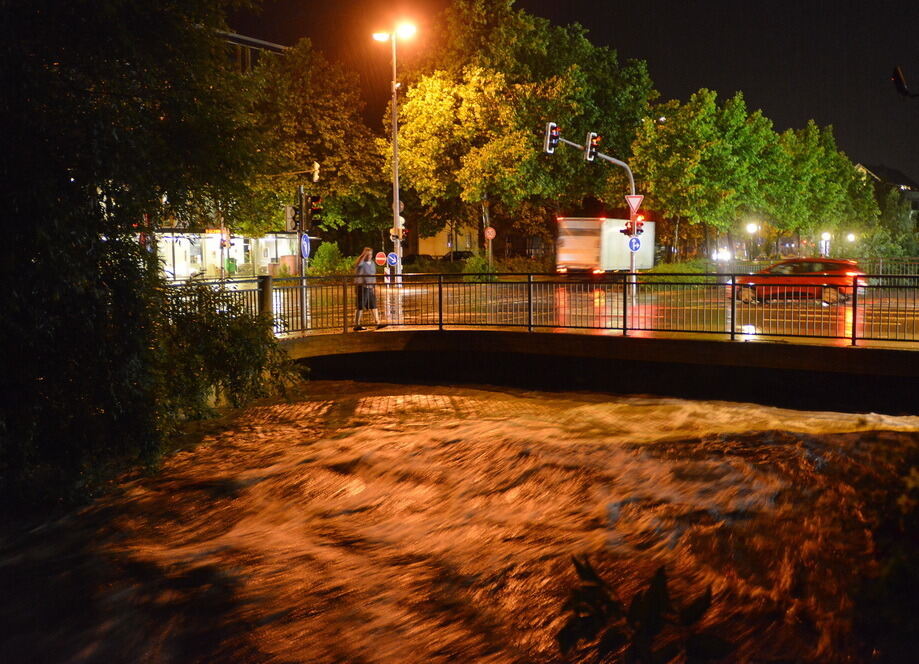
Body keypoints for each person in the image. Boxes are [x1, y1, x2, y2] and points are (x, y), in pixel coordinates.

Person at [353, 247, 386, 331]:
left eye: (371, 254)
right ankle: (357, 325)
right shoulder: (361, 263)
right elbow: (358, 266)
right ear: (365, 255)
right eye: (368, 254)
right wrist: (363, 256)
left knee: (373, 305)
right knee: (360, 306)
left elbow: (373, 275)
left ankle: (377, 323)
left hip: (370, 288)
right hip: (362, 287)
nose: (370, 256)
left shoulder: (372, 263)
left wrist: (374, 286)